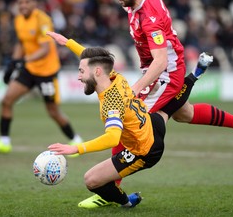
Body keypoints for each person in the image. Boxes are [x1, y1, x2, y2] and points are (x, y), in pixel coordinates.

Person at [50, 0, 233, 209]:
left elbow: (160, 62)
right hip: (155, 68)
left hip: (165, 73)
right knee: (185, 113)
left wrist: (135, 89)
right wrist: (71, 43)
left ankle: (109, 189)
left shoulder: (150, 17)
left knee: (127, 116)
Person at [47, 43, 168, 208]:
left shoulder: (111, 102)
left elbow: (112, 138)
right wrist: (67, 42)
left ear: (96, 72)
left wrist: (76, 148)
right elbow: (93, 60)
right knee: (176, 107)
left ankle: (127, 203)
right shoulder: (114, 76)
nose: (78, 77)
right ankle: (195, 74)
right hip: (152, 125)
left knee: (91, 180)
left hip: (144, 150)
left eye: (81, 71)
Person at [0, 0, 82, 154]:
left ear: (34, 3)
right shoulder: (18, 20)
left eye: (26, 2)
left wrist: (23, 61)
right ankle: (4, 142)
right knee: (7, 100)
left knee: (52, 111)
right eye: (20, 2)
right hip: (29, 70)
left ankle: (76, 141)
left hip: (47, 73)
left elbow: (45, 49)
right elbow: (21, 44)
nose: (23, 6)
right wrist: (13, 63)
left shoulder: (43, 20)